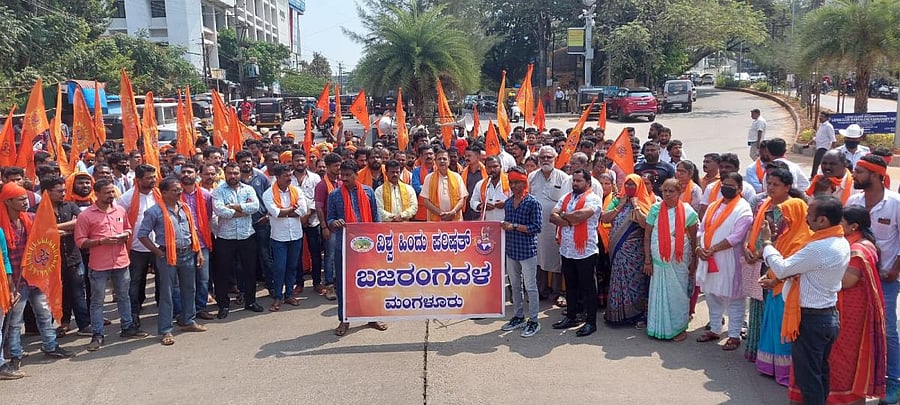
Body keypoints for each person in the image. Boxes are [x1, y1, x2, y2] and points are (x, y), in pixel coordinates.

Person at [758, 196, 850, 404]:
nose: (806, 218)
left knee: (809, 378)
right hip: (826, 316)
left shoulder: (818, 247)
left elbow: (782, 268)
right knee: (819, 371)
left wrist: (766, 243)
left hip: (812, 319)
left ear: (823, 221)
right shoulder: (839, 240)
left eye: (810, 215)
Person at [0, 183, 75, 375]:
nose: (26, 202)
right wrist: (9, 285)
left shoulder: (31, 219)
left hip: (36, 276)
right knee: (15, 320)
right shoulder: (1, 226)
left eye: (26, 198)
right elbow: (5, 257)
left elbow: (46, 233)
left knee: (44, 312)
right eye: (21, 199)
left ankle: (50, 345)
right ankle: (15, 354)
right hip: (14, 280)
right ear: (8, 202)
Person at [746, 169, 808, 386]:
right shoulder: (779, 227)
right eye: (768, 183)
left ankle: (784, 372)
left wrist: (776, 279)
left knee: (783, 328)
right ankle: (769, 365)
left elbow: (794, 267)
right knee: (771, 323)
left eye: (776, 184)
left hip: (788, 286)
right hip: (773, 277)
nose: (770, 188)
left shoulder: (801, 238)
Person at [847, 154, 900, 402]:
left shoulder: (895, 203)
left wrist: (895, 270)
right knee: (856, 328)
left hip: (885, 279)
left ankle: (894, 382)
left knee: (888, 331)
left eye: (859, 171)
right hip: (855, 277)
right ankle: (862, 380)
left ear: (877, 175)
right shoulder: (854, 200)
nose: (854, 175)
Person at [74, 179, 148, 353]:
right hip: (99, 265)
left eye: (112, 192)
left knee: (124, 296)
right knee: (97, 301)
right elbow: (80, 241)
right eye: (107, 192)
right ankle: (97, 334)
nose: (111, 195)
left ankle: (127, 327)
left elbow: (128, 228)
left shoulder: (120, 210)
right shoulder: (86, 216)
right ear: (97, 194)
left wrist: (125, 235)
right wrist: (101, 241)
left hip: (121, 261)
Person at [823, 206, 886, 404]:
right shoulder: (857, 243)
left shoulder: (858, 249)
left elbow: (847, 282)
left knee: (844, 354)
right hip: (849, 307)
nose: (837, 226)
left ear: (853, 226)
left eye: (841, 222)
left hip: (851, 311)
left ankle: (844, 396)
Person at [138, 178, 207, 346]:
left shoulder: (185, 208)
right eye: (175, 190)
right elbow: (142, 234)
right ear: (164, 193)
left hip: (188, 253)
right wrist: (157, 252)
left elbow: (192, 231)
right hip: (167, 256)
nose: (179, 192)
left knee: (189, 289)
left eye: (179, 189)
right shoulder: (154, 211)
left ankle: (188, 321)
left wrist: (198, 252)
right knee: (167, 293)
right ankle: (165, 330)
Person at [695, 172, 753, 351]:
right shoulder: (713, 206)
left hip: (729, 260)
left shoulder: (743, 209)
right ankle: (715, 329)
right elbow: (701, 229)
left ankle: (734, 335)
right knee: (712, 295)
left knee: (734, 298)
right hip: (708, 258)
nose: (726, 188)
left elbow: (736, 237)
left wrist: (712, 249)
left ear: (740, 189)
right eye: (724, 185)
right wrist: (699, 248)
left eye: (731, 186)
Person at [327, 161, 385, 336]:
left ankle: (372, 316)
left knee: (369, 283)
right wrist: (334, 223)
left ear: (356, 175)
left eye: (347, 175)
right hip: (344, 246)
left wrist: (377, 240)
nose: (343, 178)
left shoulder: (368, 192)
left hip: (367, 246)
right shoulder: (335, 195)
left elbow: (376, 218)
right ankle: (344, 320)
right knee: (344, 285)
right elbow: (330, 220)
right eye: (341, 175)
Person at [643, 178, 699, 341]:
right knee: (658, 291)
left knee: (678, 293)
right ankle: (658, 327)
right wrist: (647, 260)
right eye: (665, 191)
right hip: (658, 259)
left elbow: (694, 237)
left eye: (671, 191)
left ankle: (678, 328)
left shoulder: (688, 212)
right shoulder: (655, 209)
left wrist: (694, 259)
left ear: (679, 192)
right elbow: (647, 236)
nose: (667, 194)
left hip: (679, 260)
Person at [550, 170, 603, 337]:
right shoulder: (566, 197)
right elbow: (552, 216)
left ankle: (591, 322)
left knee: (588, 288)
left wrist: (564, 217)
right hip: (566, 249)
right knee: (571, 286)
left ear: (588, 182)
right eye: (574, 181)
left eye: (579, 181)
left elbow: (581, 215)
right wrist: (570, 220)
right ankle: (571, 316)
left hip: (585, 251)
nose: (575, 184)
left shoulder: (593, 199)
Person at [35, 176, 90, 337]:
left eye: (64, 190)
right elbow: (38, 231)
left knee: (78, 292)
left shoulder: (70, 205)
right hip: (49, 261)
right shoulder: (36, 210)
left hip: (73, 257)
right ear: (46, 192)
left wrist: (51, 228)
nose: (63, 194)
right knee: (52, 294)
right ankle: (58, 325)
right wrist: (61, 230)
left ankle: (84, 325)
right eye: (59, 191)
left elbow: (80, 222)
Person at [601, 173, 655, 326]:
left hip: (635, 254)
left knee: (634, 283)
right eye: (627, 184)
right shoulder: (618, 199)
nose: (630, 187)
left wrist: (636, 205)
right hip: (618, 251)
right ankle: (616, 314)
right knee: (617, 280)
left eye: (633, 184)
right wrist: (621, 204)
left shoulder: (647, 201)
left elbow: (645, 225)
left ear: (639, 186)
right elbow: (604, 218)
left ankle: (635, 313)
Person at [211, 162, 264, 319]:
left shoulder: (248, 189)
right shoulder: (218, 191)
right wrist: (242, 210)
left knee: (249, 270)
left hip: (246, 235)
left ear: (240, 173)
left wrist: (233, 207)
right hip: (225, 237)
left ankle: (250, 301)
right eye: (229, 173)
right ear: (225, 174)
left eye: (235, 173)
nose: (232, 176)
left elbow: (254, 207)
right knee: (223, 273)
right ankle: (223, 304)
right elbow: (220, 210)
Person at [499, 166, 543, 337]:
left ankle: (534, 320)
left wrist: (514, 226)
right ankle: (518, 316)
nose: (513, 186)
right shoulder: (509, 203)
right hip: (512, 250)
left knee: (531, 287)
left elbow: (536, 227)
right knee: (515, 286)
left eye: (517, 182)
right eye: (511, 182)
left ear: (524, 183)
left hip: (527, 251)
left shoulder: (532, 202)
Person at [117, 164, 158, 329]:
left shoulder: (159, 195)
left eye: (154, 177)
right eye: (149, 178)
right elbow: (120, 221)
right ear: (138, 180)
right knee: (135, 282)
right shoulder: (126, 198)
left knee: (163, 280)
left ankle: (163, 309)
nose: (153, 180)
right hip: (136, 248)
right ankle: (133, 313)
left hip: (158, 246)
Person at [262, 164, 308, 312]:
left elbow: (303, 210)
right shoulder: (268, 194)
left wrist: (285, 212)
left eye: (290, 175)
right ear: (277, 177)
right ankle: (277, 296)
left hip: (296, 234)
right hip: (279, 237)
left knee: (292, 266)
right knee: (279, 268)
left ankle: (289, 294)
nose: (289, 178)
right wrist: (290, 210)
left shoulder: (296, 191)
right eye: (286, 176)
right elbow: (275, 213)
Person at [530, 146, 570, 304]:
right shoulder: (532, 176)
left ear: (555, 158)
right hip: (537, 227)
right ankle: (541, 289)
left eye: (549, 157)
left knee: (556, 259)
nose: (545, 160)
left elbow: (566, 202)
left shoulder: (563, 178)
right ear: (538, 159)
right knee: (538, 258)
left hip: (555, 226)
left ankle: (558, 291)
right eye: (542, 157)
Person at [179, 164, 215, 320]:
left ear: (196, 175)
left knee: (203, 278)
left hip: (201, 242)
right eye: (184, 172)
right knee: (186, 280)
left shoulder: (205, 195)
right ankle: (187, 310)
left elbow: (207, 215)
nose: (186, 174)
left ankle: (201, 308)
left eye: (190, 172)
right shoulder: (175, 194)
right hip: (183, 244)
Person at [290, 152, 322, 295]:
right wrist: (299, 216)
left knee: (315, 253)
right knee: (296, 254)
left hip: (313, 221)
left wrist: (308, 214)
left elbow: (318, 198)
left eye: (302, 160)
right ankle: (299, 283)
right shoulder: (288, 178)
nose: (300, 163)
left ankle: (317, 282)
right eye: (297, 160)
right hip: (294, 221)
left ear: (306, 161)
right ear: (292, 162)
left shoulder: (315, 178)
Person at [315, 153, 342, 301]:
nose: (338, 168)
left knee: (341, 254)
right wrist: (324, 227)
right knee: (330, 255)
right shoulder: (322, 185)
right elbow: (319, 208)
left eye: (339, 165)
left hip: (342, 225)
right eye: (335, 166)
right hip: (329, 226)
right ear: (328, 166)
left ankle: (339, 282)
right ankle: (329, 285)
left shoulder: (341, 181)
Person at [420, 148, 467, 221]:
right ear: (435, 161)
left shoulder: (457, 177)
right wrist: (440, 213)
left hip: (455, 219)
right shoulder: (429, 178)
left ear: (448, 161)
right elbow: (426, 201)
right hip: (435, 220)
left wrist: (453, 212)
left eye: (444, 159)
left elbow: (462, 199)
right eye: (439, 159)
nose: (442, 161)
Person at [470, 156, 510, 222]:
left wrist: (506, 204)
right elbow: (473, 201)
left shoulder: (510, 182)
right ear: (485, 168)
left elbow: (518, 200)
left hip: (506, 225)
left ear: (501, 167)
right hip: (488, 226)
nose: (492, 170)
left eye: (495, 166)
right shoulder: (480, 184)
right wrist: (480, 206)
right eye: (489, 167)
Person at [808, 112, 836, 177]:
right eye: (820, 116)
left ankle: (815, 176)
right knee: (817, 163)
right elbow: (819, 136)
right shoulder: (821, 125)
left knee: (818, 163)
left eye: (822, 116)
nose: (820, 118)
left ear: (827, 118)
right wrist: (811, 142)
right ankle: (815, 176)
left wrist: (833, 151)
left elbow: (833, 139)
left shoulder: (828, 126)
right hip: (819, 147)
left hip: (824, 148)